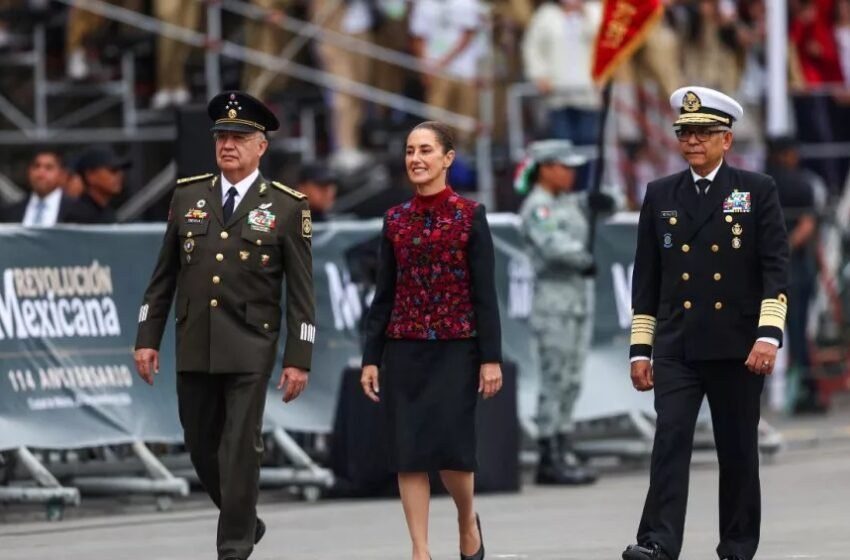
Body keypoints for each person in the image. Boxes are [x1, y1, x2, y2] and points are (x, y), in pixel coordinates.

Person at [133, 91, 316, 560]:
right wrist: (146, 337)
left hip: (251, 344)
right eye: (221, 137)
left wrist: (299, 358)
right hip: (195, 339)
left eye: (239, 137)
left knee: (239, 446)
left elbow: (301, 294)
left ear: (262, 147)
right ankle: (244, 519)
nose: (228, 144)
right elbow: (163, 276)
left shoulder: (286, 207)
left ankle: (232, 547)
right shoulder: (188, 195)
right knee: (199, 443)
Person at [622, 87, 789, 560]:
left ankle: (737, 546)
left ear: (726, 140)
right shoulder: (660, 194)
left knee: (737, 450)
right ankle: (657, 541)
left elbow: (776, 268)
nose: (692, 141)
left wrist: (768, 334)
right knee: (669, 440)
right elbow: (647, 278)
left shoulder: (756, 190)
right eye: (685, 133)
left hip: (738, 344)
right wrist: (641, 349)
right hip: (678, 343)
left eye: (703, 133)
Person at [360, 121, 502, 560]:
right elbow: (383, 295)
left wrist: (490, 359)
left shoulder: (470, 215)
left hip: (457, 348)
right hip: (404, 348)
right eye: (409, 151)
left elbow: (485, 294)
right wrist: (371, 357)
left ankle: (465, 518)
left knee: (452, 453)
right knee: (409, 452)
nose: (415, 159)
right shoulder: (395, 220)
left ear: (447, 158)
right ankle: (419, 550)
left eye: (425, 150)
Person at [516, 139, 613, 485]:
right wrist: (583, 259)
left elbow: (607, 206)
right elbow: (552, 244)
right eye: (564, 167)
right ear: (547, 169)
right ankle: (548, 454)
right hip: (554, 302)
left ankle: (564, 443)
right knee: (554, 379)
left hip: (578, 302)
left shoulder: (569, 202)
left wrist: (605, 200)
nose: (571, 173)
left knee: (572, 379)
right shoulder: (537, 207)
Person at [0, 151, 74, 225]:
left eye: (49, 168)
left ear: (62, 174)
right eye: (36, 166)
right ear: (28, 172)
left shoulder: (78, 211)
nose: (40, 174)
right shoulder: (10, 213)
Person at [62, 146, 130, 224]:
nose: (120, 175)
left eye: (121, 170)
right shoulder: (79, 216)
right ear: (90, 175)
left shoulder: (107, 212)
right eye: (113, 170)